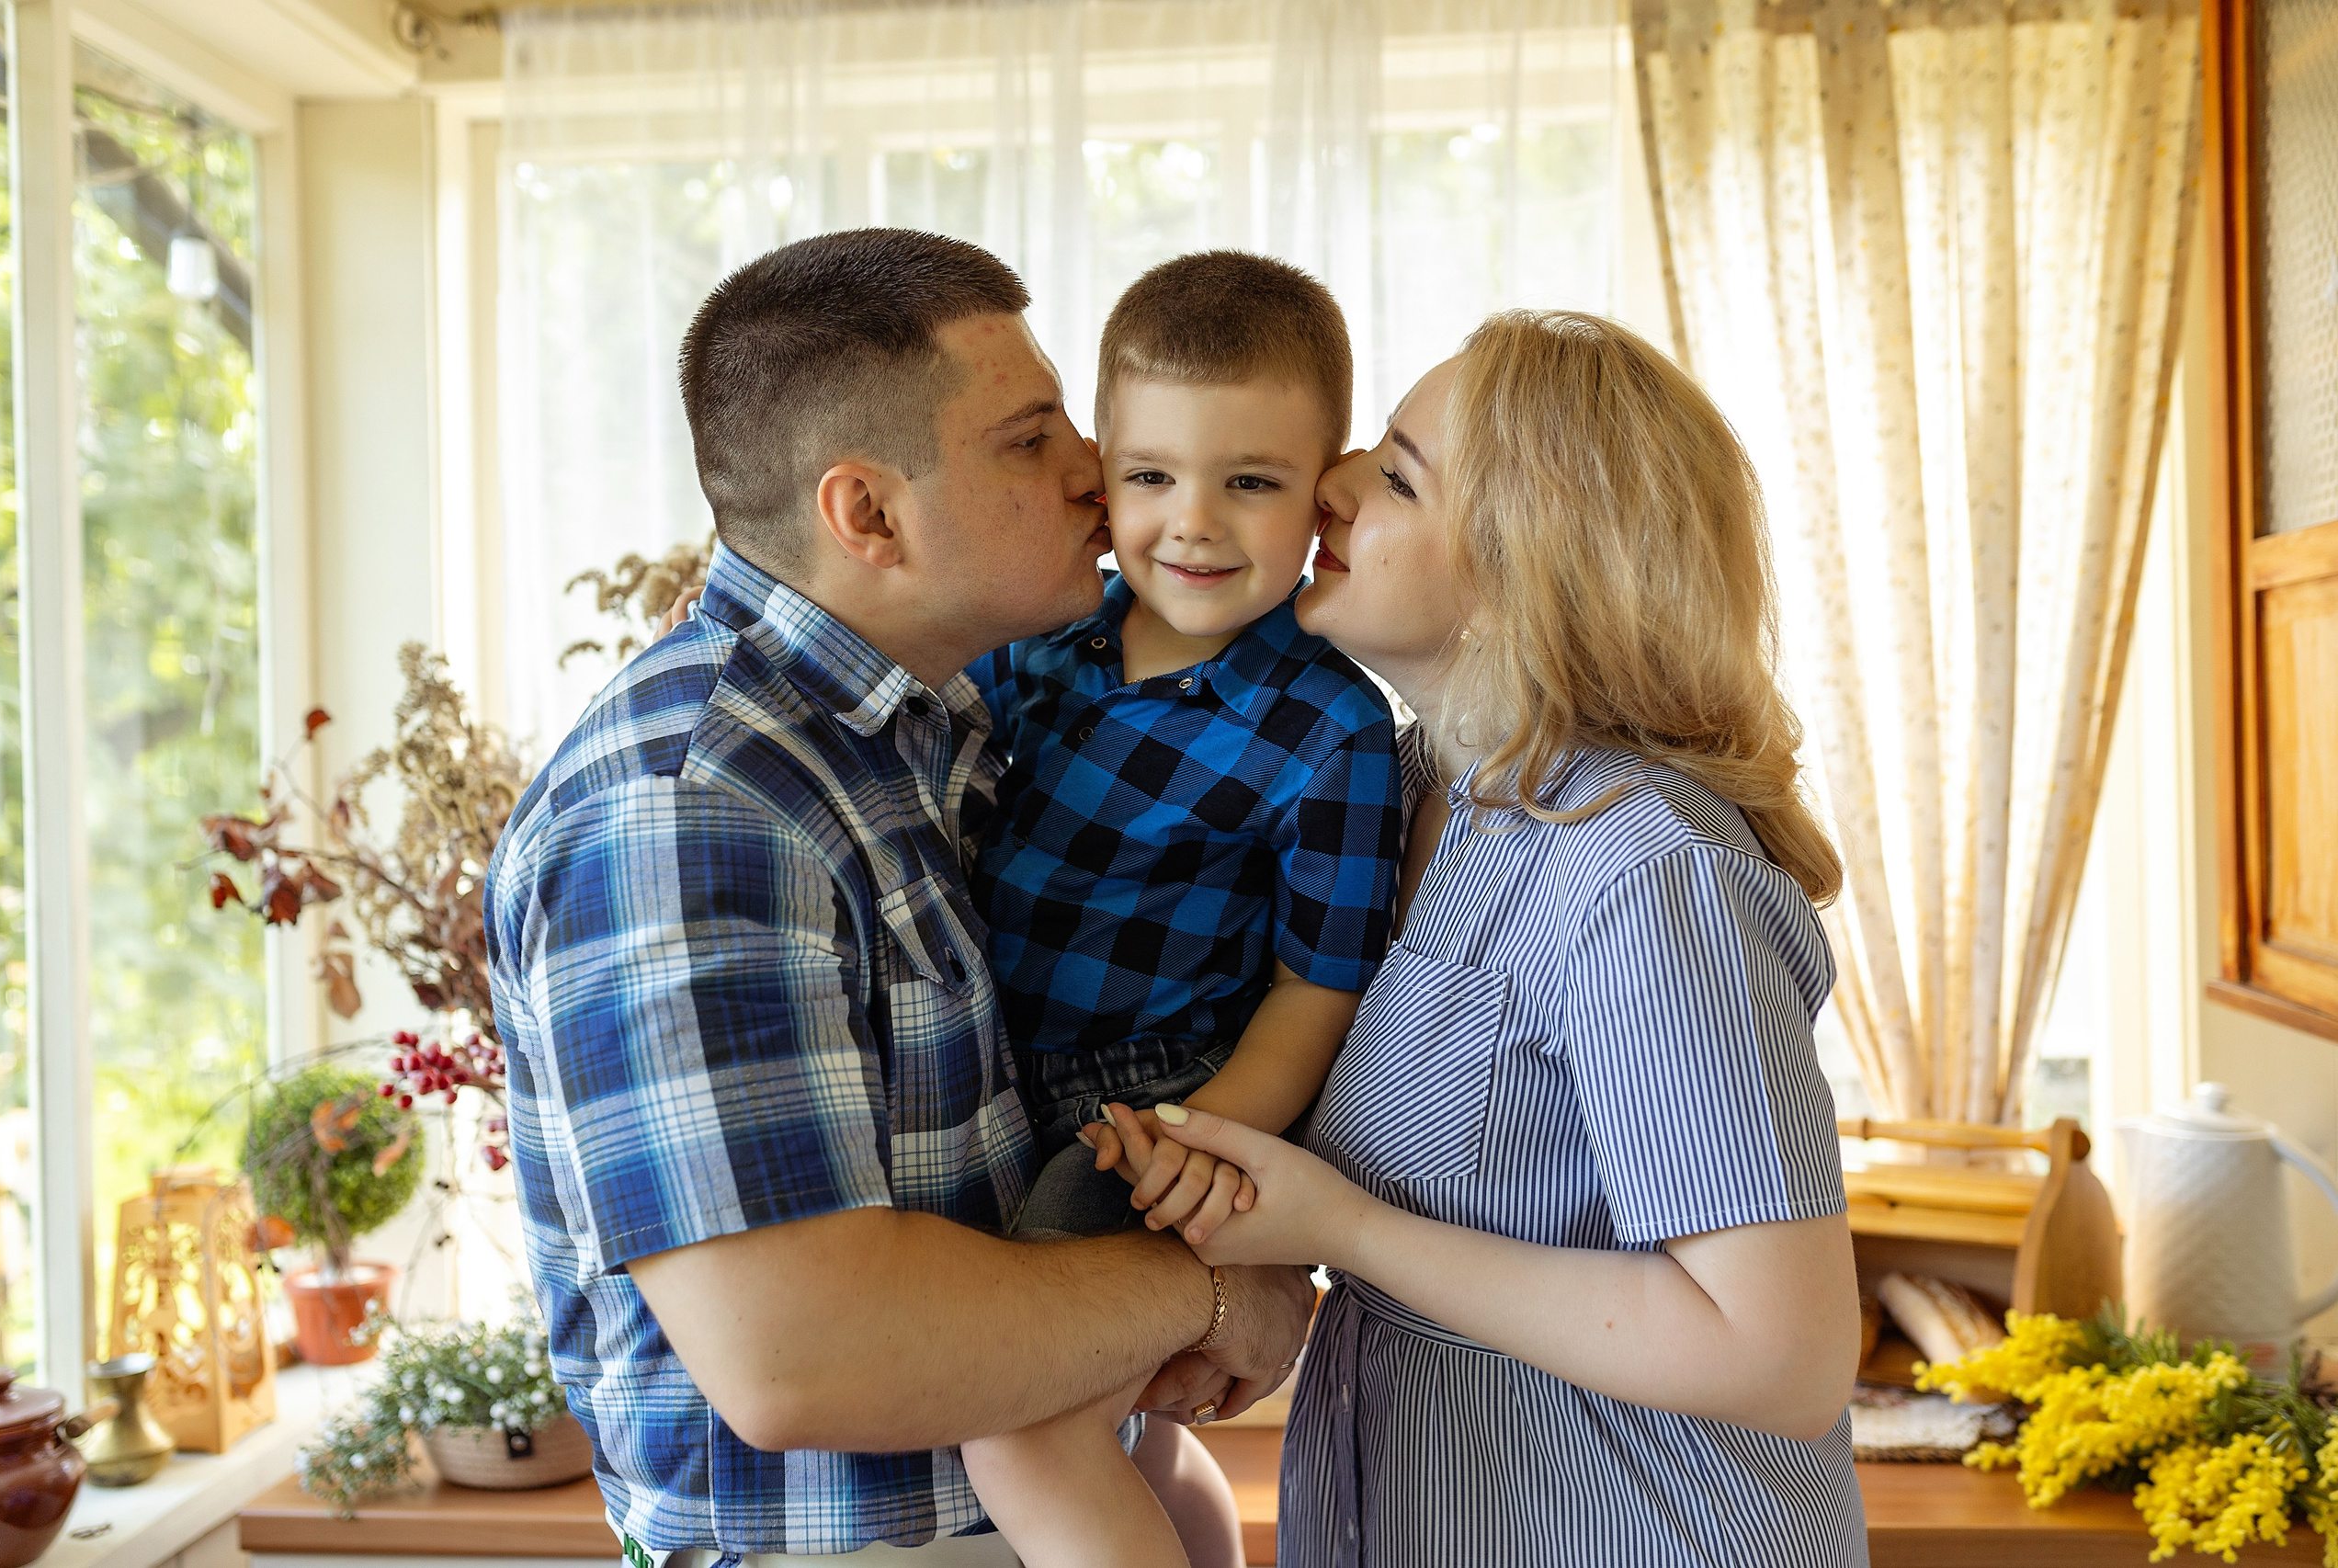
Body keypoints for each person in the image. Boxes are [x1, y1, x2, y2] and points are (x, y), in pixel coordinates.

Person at [483, 229, 1316, 1567]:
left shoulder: (943, 731)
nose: (1092, 473)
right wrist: (1213, 1287)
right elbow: (803, 1356)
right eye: (1030, 437)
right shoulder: (693, 809)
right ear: (866, 513)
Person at [1097, 311, 1869, 1566]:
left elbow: (1780, 1353)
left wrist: (1342, 1232)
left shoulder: (1644, 868)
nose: (1330, 484)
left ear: (1529, 571)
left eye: (1397, 473)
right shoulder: (1400, 797)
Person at [958, 254, 1402, 1568]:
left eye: (1249, 482)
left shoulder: (1330, 726)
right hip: (985, 1078)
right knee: (1101, 1419)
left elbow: (1318, 985)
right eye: (1152, 477)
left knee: (1020, 1415)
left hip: (1150, 1100)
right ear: (1101, 472)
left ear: (1324, 491)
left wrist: (1202, 1143)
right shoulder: (1030, 638)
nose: (1193, 523)